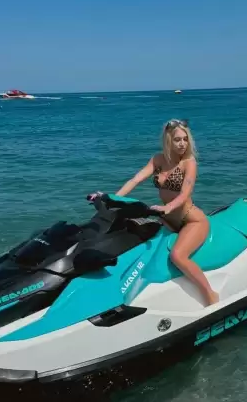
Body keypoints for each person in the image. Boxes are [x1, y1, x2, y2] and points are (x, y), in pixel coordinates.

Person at [90, 119, 219, 306]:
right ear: (168, 140)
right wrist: (111, 199)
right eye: (177, 140)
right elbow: (135, 180)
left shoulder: (189, 163)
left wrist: (168, 207)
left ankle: (210, 295)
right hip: (167, 219)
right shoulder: (158, 160)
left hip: (191, 220)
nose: (182, 144)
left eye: (185, 139)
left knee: (178, 256)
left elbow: (185, 193)